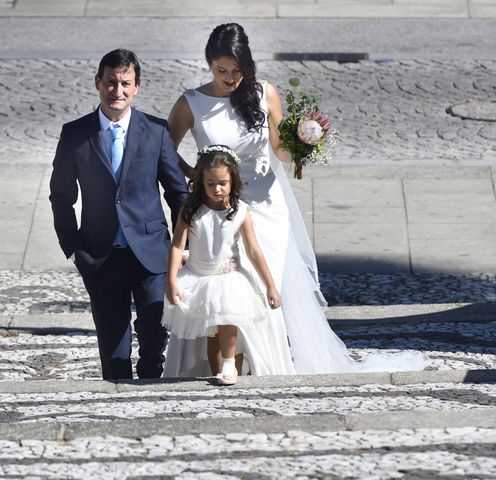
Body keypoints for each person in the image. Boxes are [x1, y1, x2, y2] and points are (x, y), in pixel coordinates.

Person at [163, 23, 429, 377]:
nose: (229, 78)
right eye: (221, 71)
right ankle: (221, 366)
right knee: (219, 284)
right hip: (216, 208)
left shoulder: (265, 94)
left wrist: (304, 145)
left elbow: (279, 150)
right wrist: (194, 174)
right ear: (209, 65)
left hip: (264, 205)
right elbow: (163, 148)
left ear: (248, 65)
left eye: (236, 71)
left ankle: (262, 368)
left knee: (256, 286)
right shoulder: (191, 103)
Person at [49, 49, 189, 380]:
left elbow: (177, 193)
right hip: (101, 256)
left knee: (155, 336)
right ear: (98, 82)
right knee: (114, 349)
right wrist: (73, 246)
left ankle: (151, 394)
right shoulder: (75, 134)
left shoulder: (155, 131)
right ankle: (118, 405)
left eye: (126, 83)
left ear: (137, 87)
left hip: (152, 254)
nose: (118, 91)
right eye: (111, 82)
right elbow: (62, 195)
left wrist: (183, 247)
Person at [162, 145, 286, 385]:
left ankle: (230, 364)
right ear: (201, 182)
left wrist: (270, 285)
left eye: (222, 183)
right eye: (210, 184)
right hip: (199, 277)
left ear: (233, 181)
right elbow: (177, 246)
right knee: (212, 334)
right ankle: (217, 368)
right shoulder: (191, 211)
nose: (217, 189)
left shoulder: (240, 211)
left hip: (228, 277)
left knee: (227, 320)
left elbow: (253, 250)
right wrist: (171, 280)